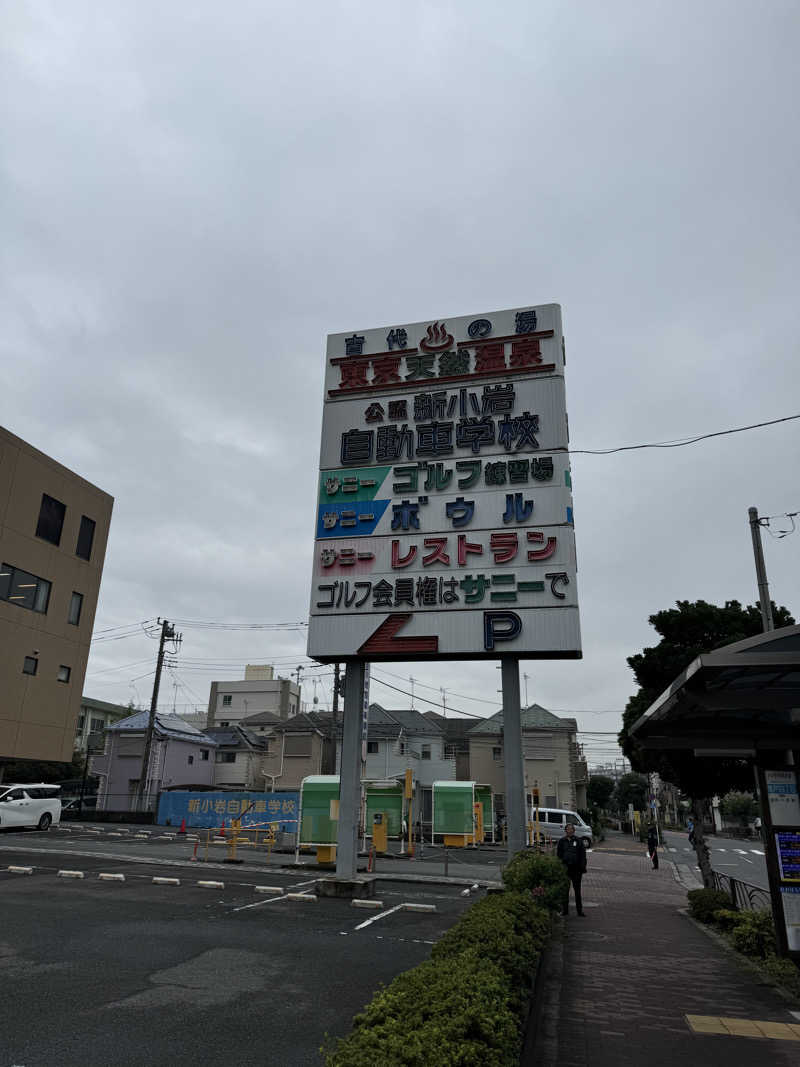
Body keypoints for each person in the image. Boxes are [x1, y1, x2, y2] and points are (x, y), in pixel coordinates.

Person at [557, 822, 587, 916]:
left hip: (576, 869)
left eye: (571, 829)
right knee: (565, 890)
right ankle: (565, 910)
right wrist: (561, 864)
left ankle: (580, 911)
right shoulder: (562, 841)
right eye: (568, 829)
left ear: (574, 831)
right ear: (565, 831)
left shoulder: (578, 841)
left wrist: (582, 867)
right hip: (566, 868)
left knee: (577, 891)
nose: (569, 831)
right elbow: (559, 854)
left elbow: (583, 855)